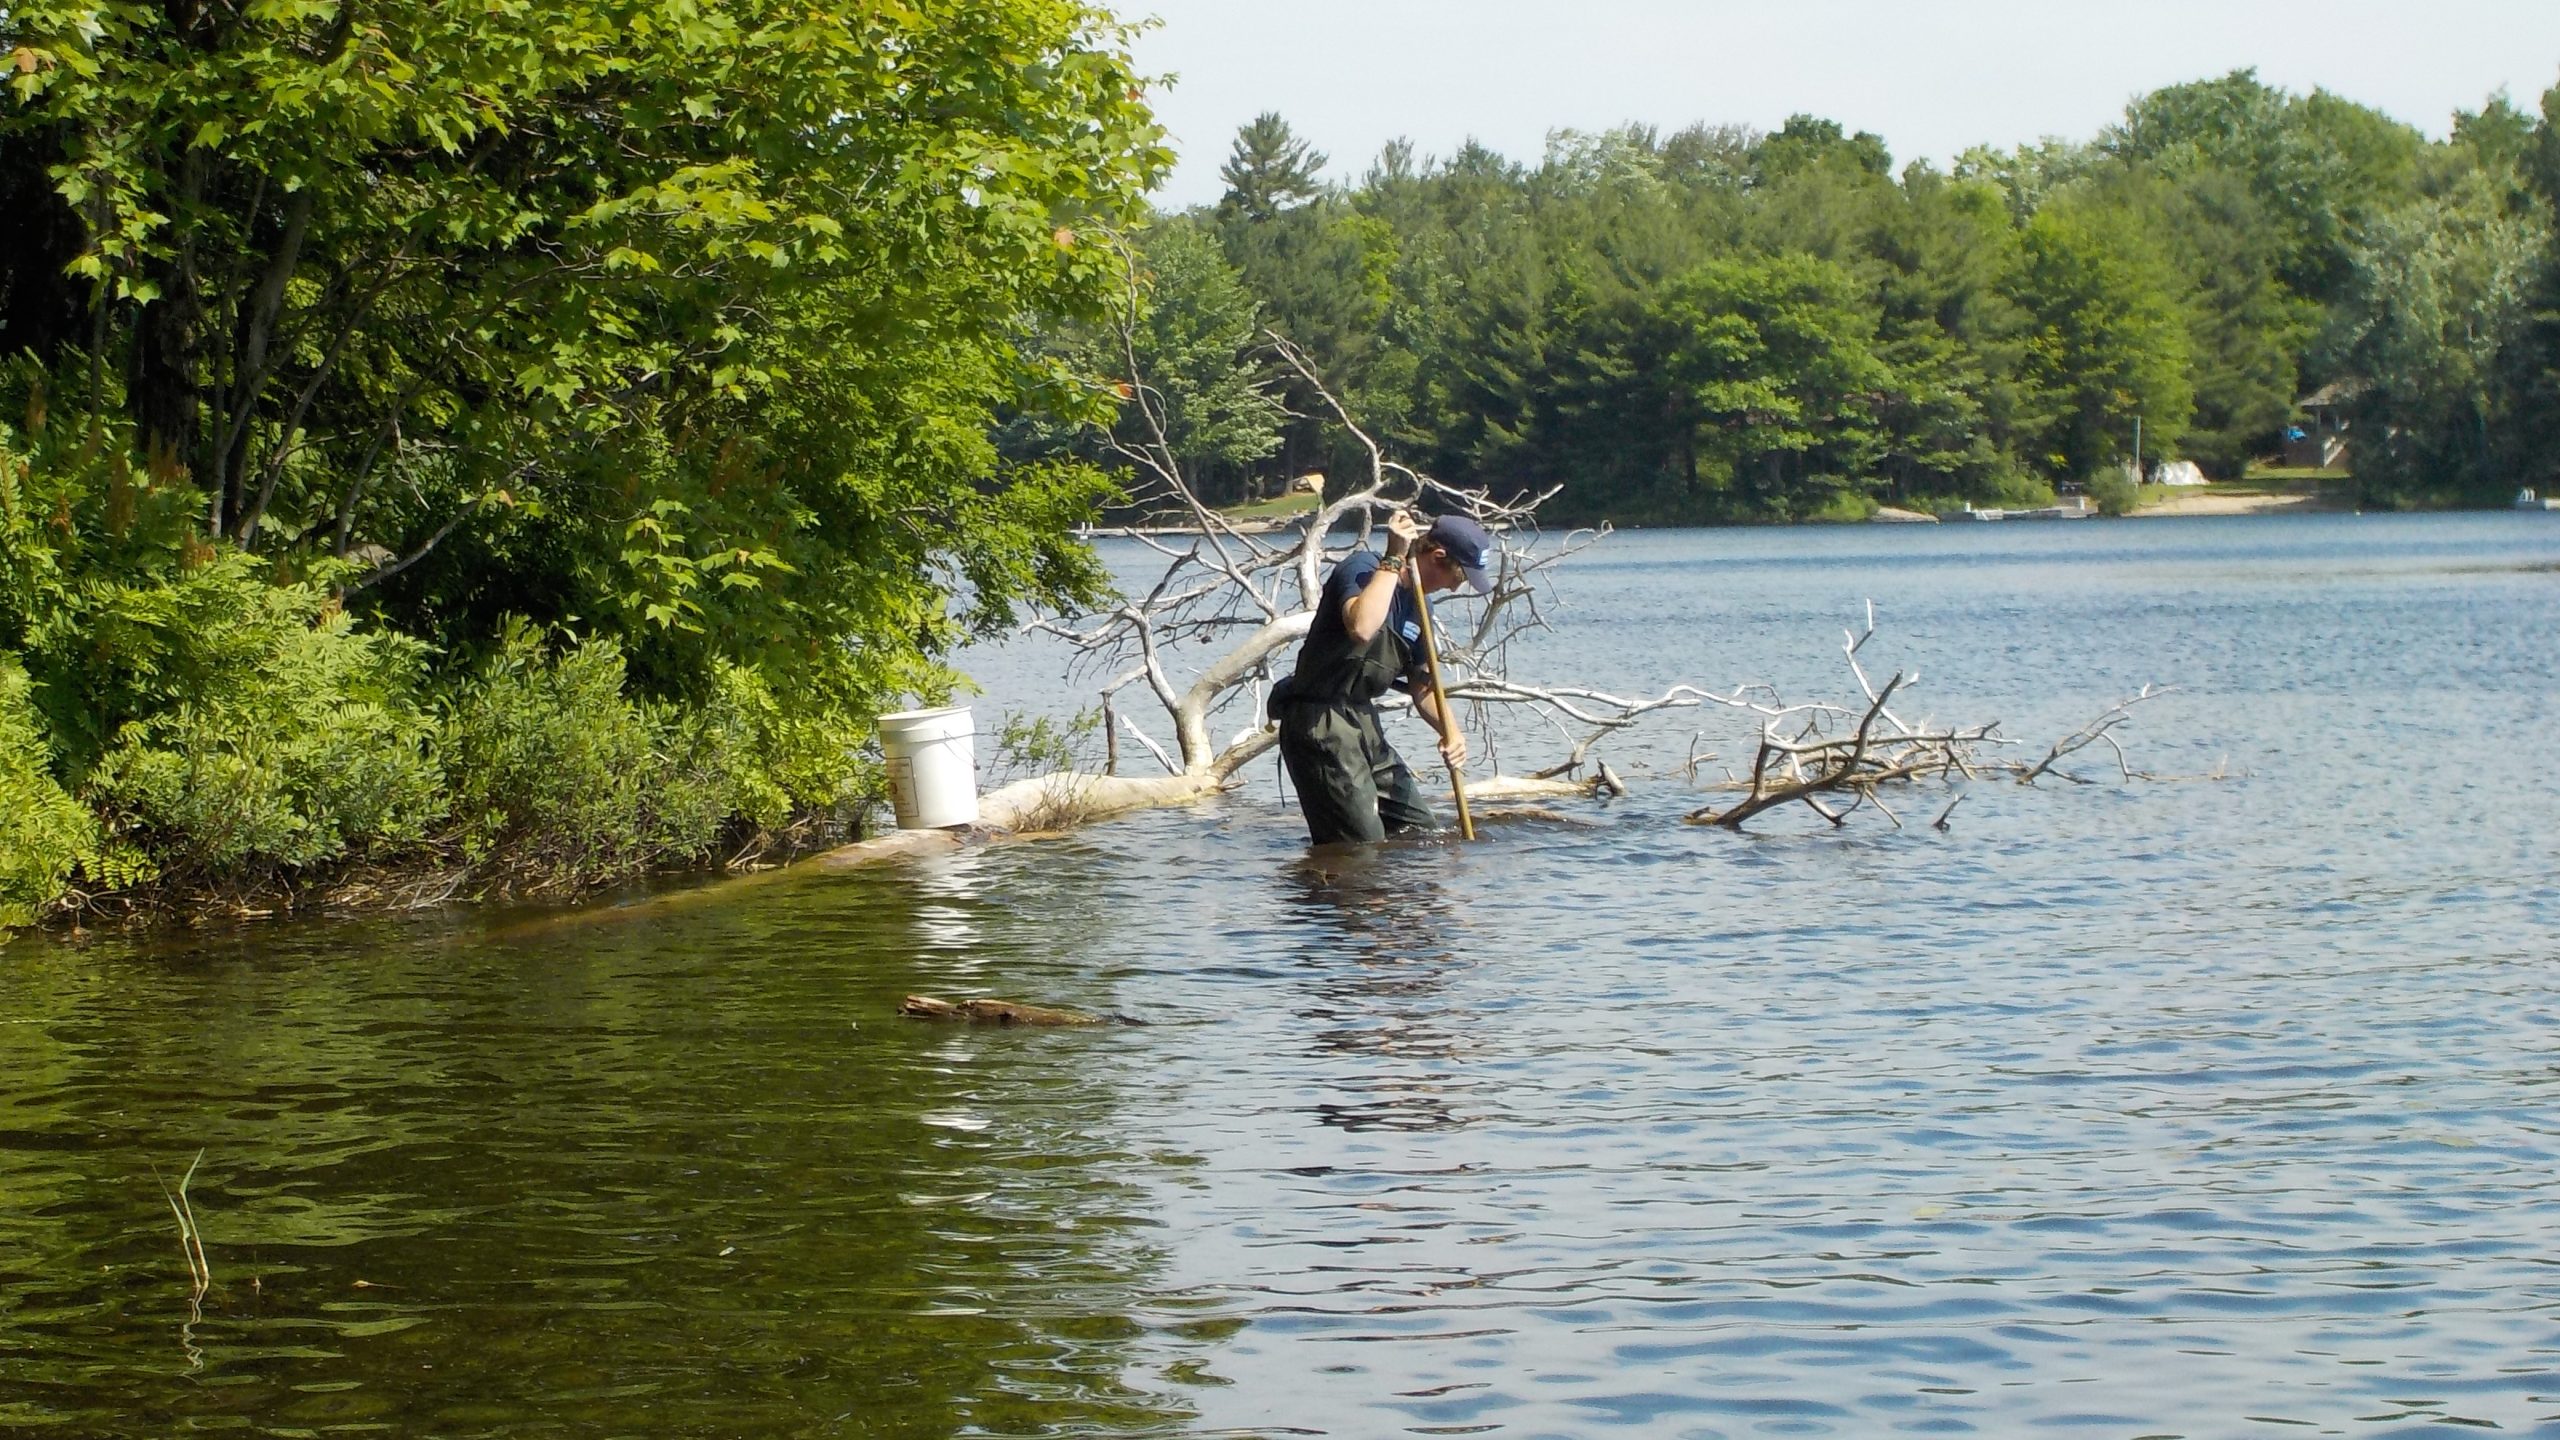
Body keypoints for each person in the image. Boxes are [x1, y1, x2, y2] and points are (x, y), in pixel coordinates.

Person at [1269, 510, 1494, 845]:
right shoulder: (1362, 569)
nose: (1453, 587)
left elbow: (1423, 687)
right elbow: (1361, 627)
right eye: (1458, 577)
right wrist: (1394, 557)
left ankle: (1391, 893)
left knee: (1420, 834)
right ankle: (1343, 891)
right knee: (1362, 845)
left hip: (1363, 722)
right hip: (1319, 721)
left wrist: (1453, 733)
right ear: (1438, 556)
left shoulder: (1421, 610)